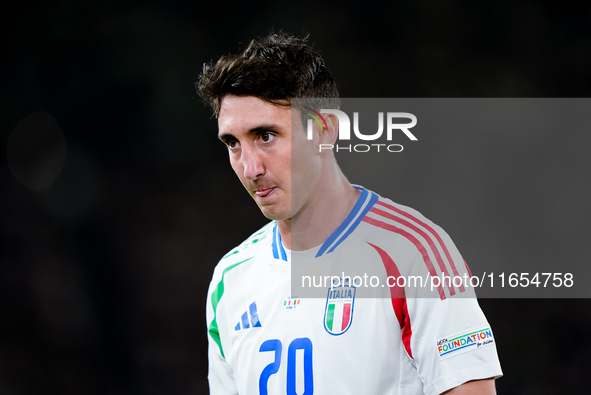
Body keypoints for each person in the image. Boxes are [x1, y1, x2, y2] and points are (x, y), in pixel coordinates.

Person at [198, 32, 502, 395]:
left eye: (265, 135)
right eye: (232, 143)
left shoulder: (414, 252)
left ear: (325, 130)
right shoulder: (230, 280)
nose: (250, 168)